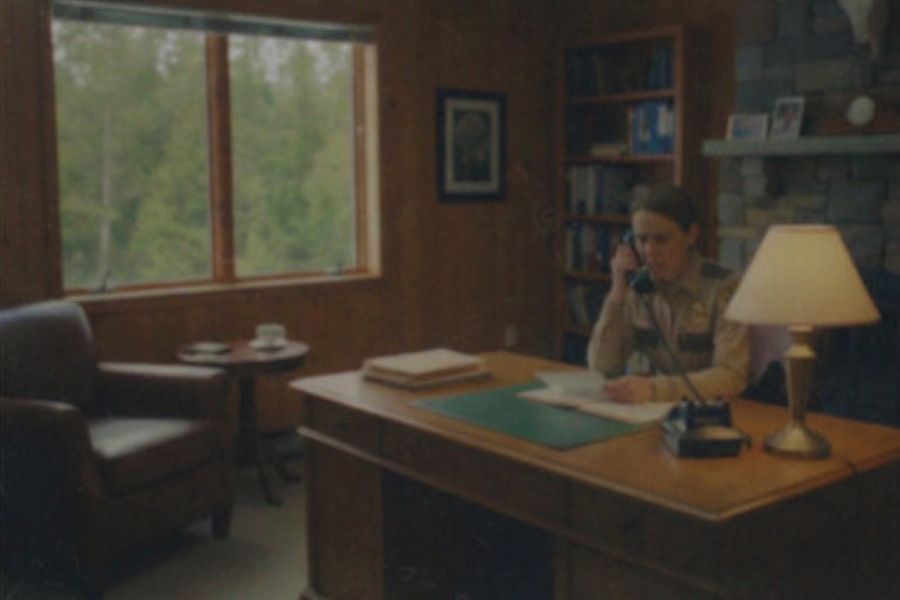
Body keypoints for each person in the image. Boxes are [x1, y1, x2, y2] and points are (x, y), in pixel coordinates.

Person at [587, 183, 749, 404]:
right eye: (641, 239)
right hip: (659, 409)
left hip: (714, 410)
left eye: (662, 239)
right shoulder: (638, 286)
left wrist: (656, 389)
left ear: (691, 235)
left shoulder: (724, 287)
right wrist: (617, 294)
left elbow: (731, 377)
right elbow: (602, 367)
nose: (650, 251)